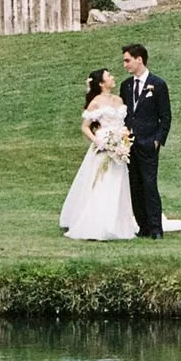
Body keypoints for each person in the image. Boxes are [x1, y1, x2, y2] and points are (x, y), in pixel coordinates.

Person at [59, 68, 137, 241]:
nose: (112, 77)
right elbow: (85, 126)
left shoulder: (118, 99)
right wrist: (98, 141)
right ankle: (99, 222)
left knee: (119, 183)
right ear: (102, 83)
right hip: (104, 147)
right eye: (109, 76)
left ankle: (119, 223)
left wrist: (124, 135)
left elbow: (122, 122)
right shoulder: (96, 102)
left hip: (120, 147)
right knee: (103, 182)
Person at [120, 43, 172, 239]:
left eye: (127, 60)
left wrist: (158, 140)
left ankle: (156, 228)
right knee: (135, 185)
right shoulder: (126, 86)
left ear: (139, 59)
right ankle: (143, 226)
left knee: (150, 184)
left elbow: (165, 116)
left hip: (149, 142)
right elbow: (124, 113)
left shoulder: (157, 84)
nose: (125, 64)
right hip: (128, 144)